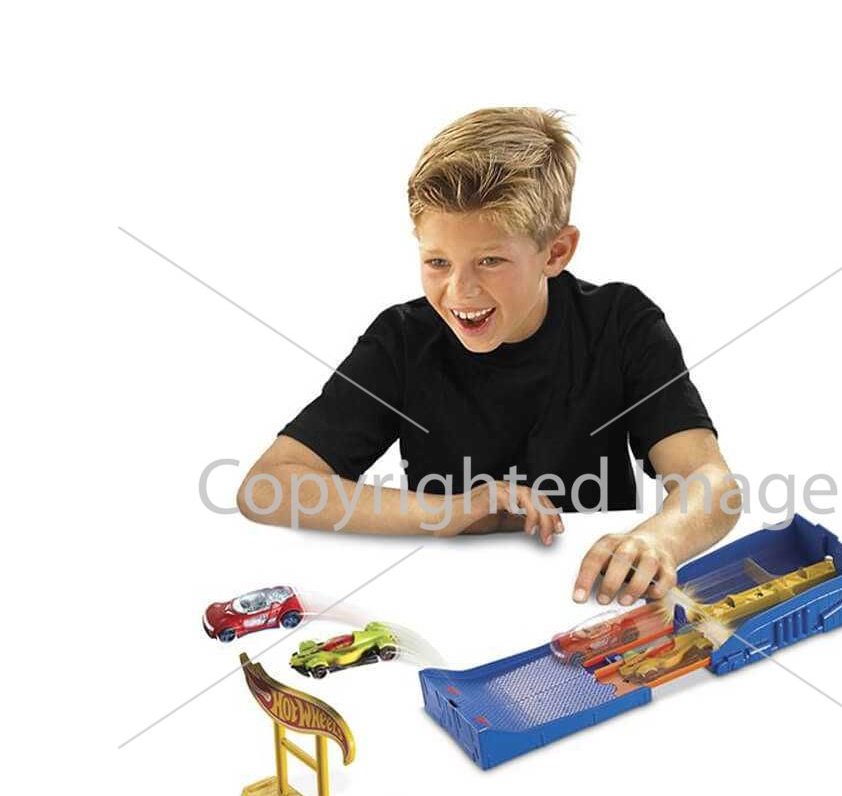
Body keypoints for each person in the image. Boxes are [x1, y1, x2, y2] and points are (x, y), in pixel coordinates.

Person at [237, 106, 739, 606]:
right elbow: (266, 486)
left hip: (592, 601)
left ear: (556, 252)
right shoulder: (402, 340)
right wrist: (446, 511)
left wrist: (658, 540)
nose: (460, 290)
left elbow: (712, 483)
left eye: (490, 260)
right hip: (450, 599)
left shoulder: (621, 323)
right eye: (437, 261)